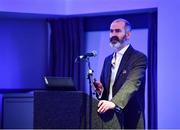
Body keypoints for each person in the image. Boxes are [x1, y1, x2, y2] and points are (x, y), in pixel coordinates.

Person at [93, 18, 147, 129]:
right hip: (109, 120)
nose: (113, 34)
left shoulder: (138, 58)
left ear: (128, 35)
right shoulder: (107, 60)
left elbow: (132, 84)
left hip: (130, 120)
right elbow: (106, 93)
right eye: (111, 31)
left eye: (117, 31)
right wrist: (101, 91)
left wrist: (115, 103)